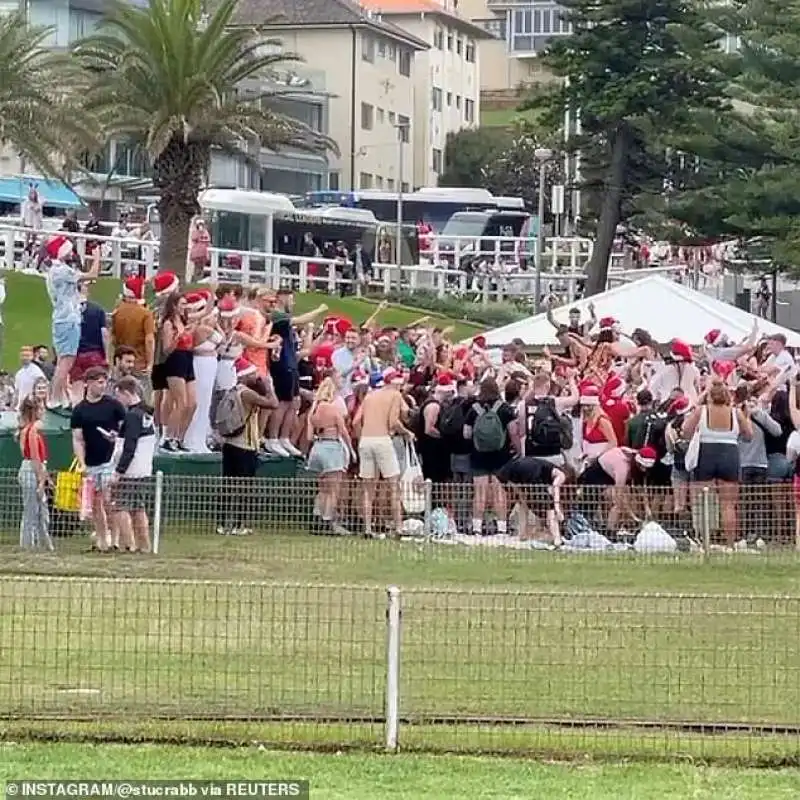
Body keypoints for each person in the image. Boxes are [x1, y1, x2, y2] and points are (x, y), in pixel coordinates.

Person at [682, 378, 753, 546]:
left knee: (702, 501)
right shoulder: (736, 412)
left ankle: (703, 542)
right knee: (728, 505)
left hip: (707, 454)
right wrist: (746, 418)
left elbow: (685, 431)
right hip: (729, 455)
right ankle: (729, 544)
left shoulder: (701, 411)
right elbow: (749, 435)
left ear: (709, 396)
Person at [216, 358, 278, 536]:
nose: (256, 377)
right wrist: (269, 385)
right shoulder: (247, 394)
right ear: (245, 375)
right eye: (253, 374)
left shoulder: (234, 390)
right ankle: (239, 525)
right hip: (245, 445)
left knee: (228, 484)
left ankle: (222, 523)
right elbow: (273, 403)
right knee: (245, 487)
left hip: (230, 444)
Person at [70, 366, 127, 552]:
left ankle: (116, 538)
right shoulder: (79, 410)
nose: (102, 386)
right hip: (91, 463)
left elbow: (125, 431)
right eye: (99, 382)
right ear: (88, 383)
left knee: (109, 500)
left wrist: (115, 437)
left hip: (110, 461)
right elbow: (78, 439)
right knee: (95, 504)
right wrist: (82, 462)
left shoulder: (113, 405)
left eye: (104, 382)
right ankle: (102, 539)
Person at [353, 367, 414, 537]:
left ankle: (367, 528)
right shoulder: (394, 395)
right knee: (394, 484)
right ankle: (399, 527)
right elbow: (393, 422)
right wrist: (407, 432)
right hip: (382, 440)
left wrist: (361, 439)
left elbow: (356, 421)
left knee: (368, 488)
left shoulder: (369, 396)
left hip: (366, 440)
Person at [267, 289, 327, 458]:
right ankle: (273, 438)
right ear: (281, 299)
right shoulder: (278, 316)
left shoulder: (285, 322)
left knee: (294, 403)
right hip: (281, 364)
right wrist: (320, 310)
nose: (292, 304)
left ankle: (284, 438)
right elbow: (300, 320)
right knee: (284, 402)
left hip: (292, 363)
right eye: (290, 300)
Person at [44, 237, 100, 408]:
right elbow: (92, 274)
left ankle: (59, 396)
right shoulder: (62, 271)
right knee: (66, 361)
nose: (71, 253)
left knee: (63, 360)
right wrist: (97, 257)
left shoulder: (55, 270)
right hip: (68, 319)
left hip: (62, 318)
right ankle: (54, 398)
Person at [463, 377, 518, 536]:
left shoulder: (474, 409)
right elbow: (513, 431)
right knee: (499, 491)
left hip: (478, 456)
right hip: (501, 456)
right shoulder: (505, 409)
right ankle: (501, 527)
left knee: (480, 492)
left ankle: (476, 528)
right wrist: (517, 449)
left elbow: (466, 434)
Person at [109, 376, 157, 553]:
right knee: (138, 506)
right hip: (144, 469)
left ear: (127, 393)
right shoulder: (146, 414)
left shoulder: (132, 416)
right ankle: (144, 545)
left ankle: (129, 544)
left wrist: (119, 471)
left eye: (118, 396)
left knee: (121, 506)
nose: (118, 400)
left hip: (131, 470)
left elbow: (130, 447)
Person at [307, 376, 353, 534]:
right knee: (334, 489)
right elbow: (343, 431)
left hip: (317, 447)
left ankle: (316, 519)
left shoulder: (313, 410)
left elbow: (308, 436)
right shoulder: (332, 409)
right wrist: (351, 449)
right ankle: (327, 522)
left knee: (322, 489)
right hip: (332, 448)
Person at [496, 456, 566, 544]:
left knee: (522, 502)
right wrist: (557, 509)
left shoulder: (546, 468)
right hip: (528, 472)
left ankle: (522, 533)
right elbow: (555, 487)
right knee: (550, 508)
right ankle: (557, 538)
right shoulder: (561, 474)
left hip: (511, 470)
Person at [159, 292, 196, 451]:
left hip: (188, 359)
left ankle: (180, 438)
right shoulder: (168, 324)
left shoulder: (184, 321)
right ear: (174, 305)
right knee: (181, 403)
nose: (185, 307)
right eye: (182, 304)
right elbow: (166, 350)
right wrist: (177, 337)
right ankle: (168, 437)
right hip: (175, 361)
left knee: (192, 404)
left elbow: (206, 312)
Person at [17, 395, 53, 551]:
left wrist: (45, 477)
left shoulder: (33, 431)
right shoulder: (31, 431)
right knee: (31, 509)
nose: (44, 411)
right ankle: (28, 544)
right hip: (31, 470)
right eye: (41, 408)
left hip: (37, 469)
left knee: (41, 510)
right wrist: (40, 480)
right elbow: (34, 457)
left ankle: (43, 543)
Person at [111, 276, 155, 402]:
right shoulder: (145, 313)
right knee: (141, 398)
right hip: (139, 362)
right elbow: (149, 339)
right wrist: (150, 362)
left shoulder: (117, 311)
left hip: (121, 361)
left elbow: (112, 338)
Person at [70, 282, 110, 405]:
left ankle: (77, 416)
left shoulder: (69, 310)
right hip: (94, 354)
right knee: (96, 389)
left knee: (77, 389)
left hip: (75, 354)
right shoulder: (97, 310)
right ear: (85, 291)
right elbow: (104, 334)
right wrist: (107, 355)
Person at [14, 346, 45, 410]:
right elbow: (17, 393)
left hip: (33, 408)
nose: (25, 358)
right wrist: (13, 407)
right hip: (20, 408)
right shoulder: (18, 374)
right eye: (23, 355)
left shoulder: (37, 372)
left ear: (32, 357)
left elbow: (43, 390)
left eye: (28, 355)